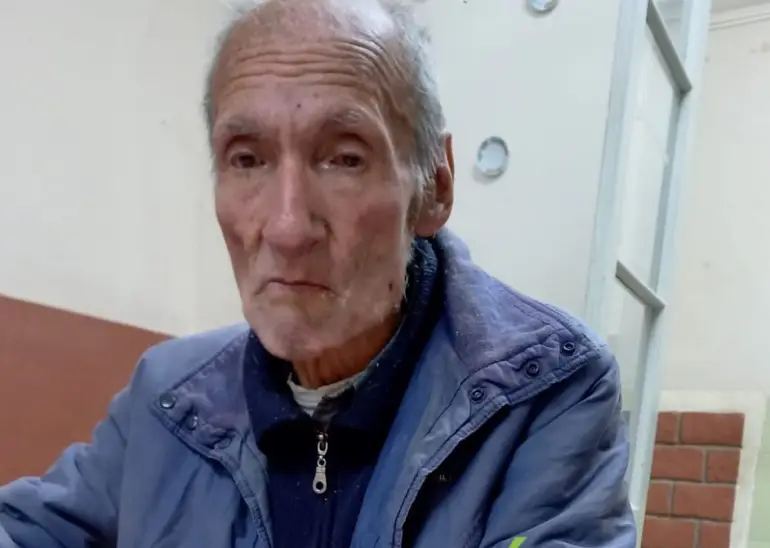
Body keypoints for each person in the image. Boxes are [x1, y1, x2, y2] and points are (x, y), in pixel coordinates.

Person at [0, 0, 636, 546]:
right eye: (247, 159)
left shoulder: (545, 395)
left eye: (344, 159)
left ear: (435, 187)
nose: (286, 227)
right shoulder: (168, 400)